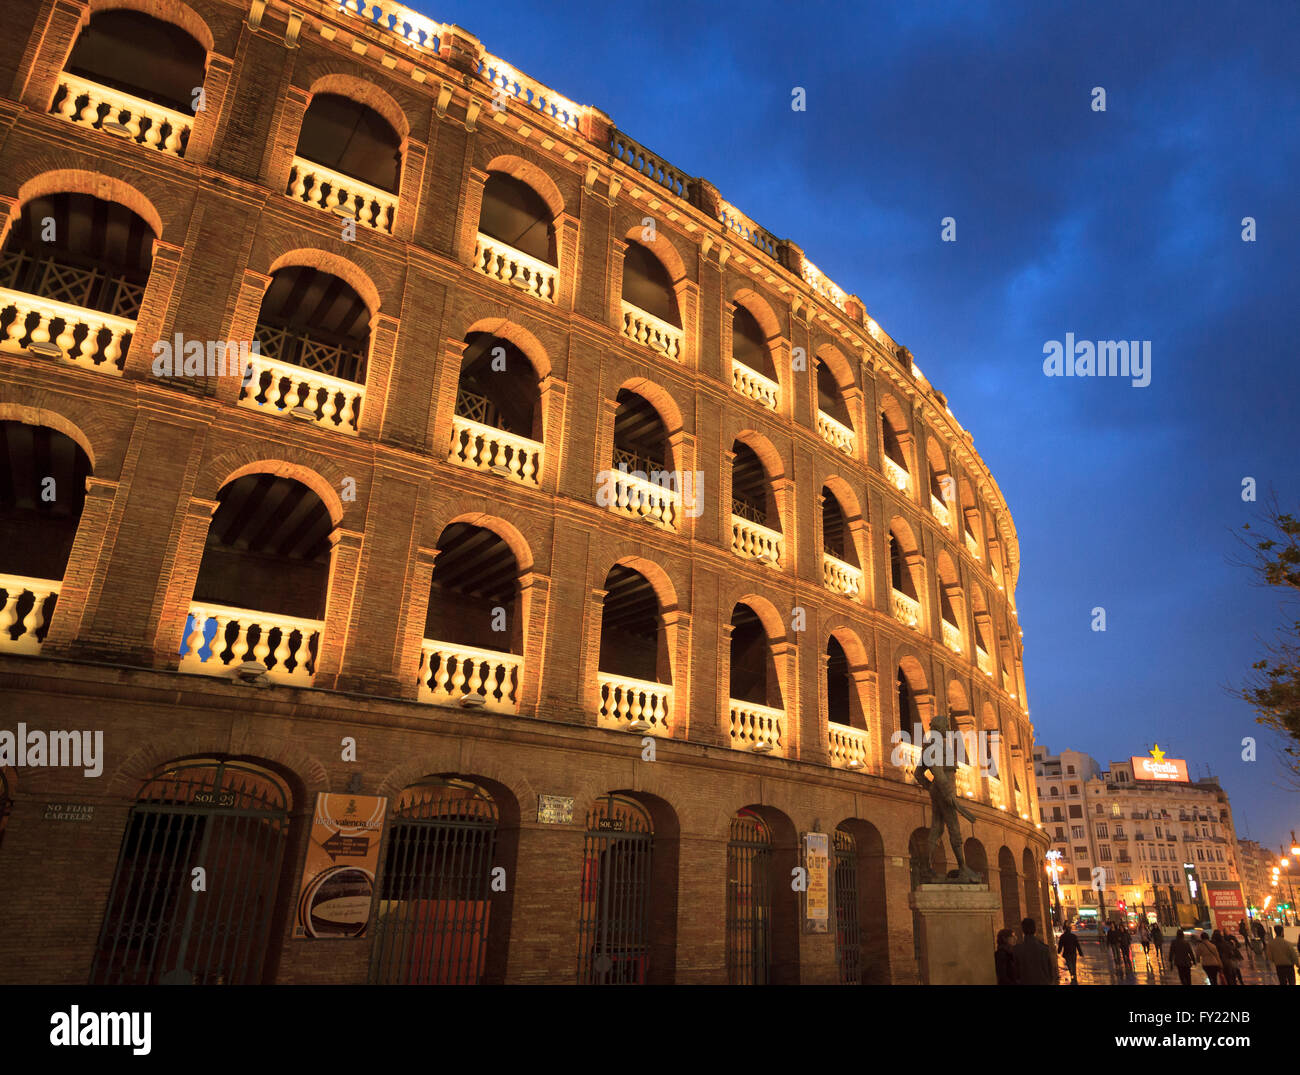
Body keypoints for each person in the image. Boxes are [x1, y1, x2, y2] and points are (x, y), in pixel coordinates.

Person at [1013, 917, 1058, 985]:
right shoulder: (1044, 948)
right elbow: (1050, 971)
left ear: (1023, 930)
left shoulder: (1017, 950)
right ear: (1035, 929)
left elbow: (1016, 973)